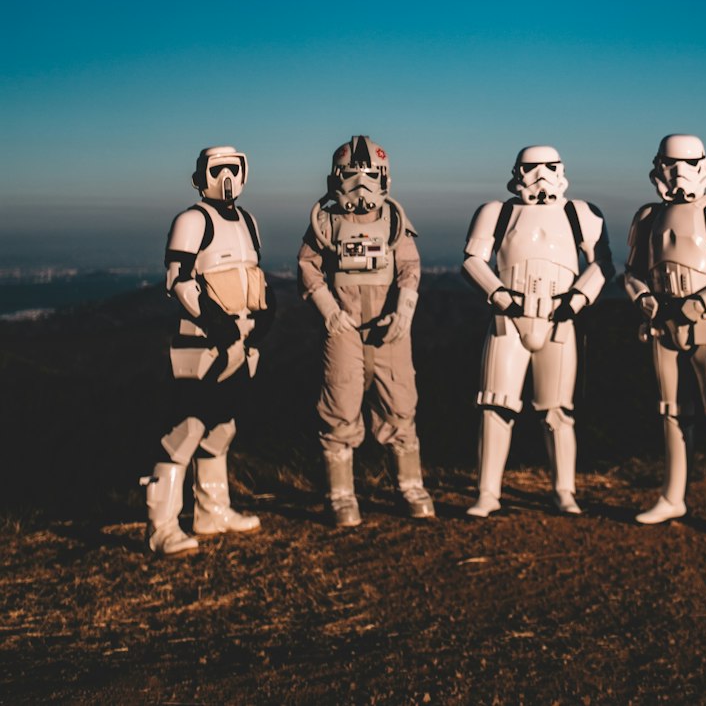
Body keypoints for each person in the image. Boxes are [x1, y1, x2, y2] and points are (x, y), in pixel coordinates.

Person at [463, 145, 613, 517]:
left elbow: (602, 263)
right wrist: (498, 295)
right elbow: (472, 261)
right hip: (508, 317)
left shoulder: (579, 213)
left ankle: (564, 490)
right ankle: (488, 492)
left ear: (561, 169)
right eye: (532, 168)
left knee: (557, 410)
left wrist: (577, 300)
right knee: (495, 404)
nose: (541, 175)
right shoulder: (496, 213)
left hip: (559, 316)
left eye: (549, 167)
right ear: (518, 171)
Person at [624, 133, 706, 539]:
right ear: (657, 165)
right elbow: (632, 273)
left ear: (703, 164)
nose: (677, 171)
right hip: (662, 325)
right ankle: (672, 496)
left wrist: (699, 304)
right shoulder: (647, 216)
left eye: (686, 162)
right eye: (669, 163)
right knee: (671, 413)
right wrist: (644, 299)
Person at [141, 145, 273, 556]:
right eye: (219, 169)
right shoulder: (192, 220)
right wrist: (213, 319)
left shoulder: (248, 221)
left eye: (234, 168)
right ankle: (162, 525)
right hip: (201, 339)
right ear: (202, 175)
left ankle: (212, 509)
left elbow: (251, 273)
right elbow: (178, 279)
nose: (228, 177)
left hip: (242, 338)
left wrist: (263, 313)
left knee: (222, 426)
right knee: (187, 427)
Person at [297, 135, 435, 526]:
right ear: (336, 178)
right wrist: (327, 310)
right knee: (340, 404)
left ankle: (410, 484)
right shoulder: (325, 223)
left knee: (400, 402)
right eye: (352, 175)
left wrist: (405, 309)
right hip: (343, 326)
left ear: (384, 178)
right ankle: (341, 493)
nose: (361, 184)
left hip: (389, 326)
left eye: (370, 175)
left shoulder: (393, 220)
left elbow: (409, 267)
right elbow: (308, 267)